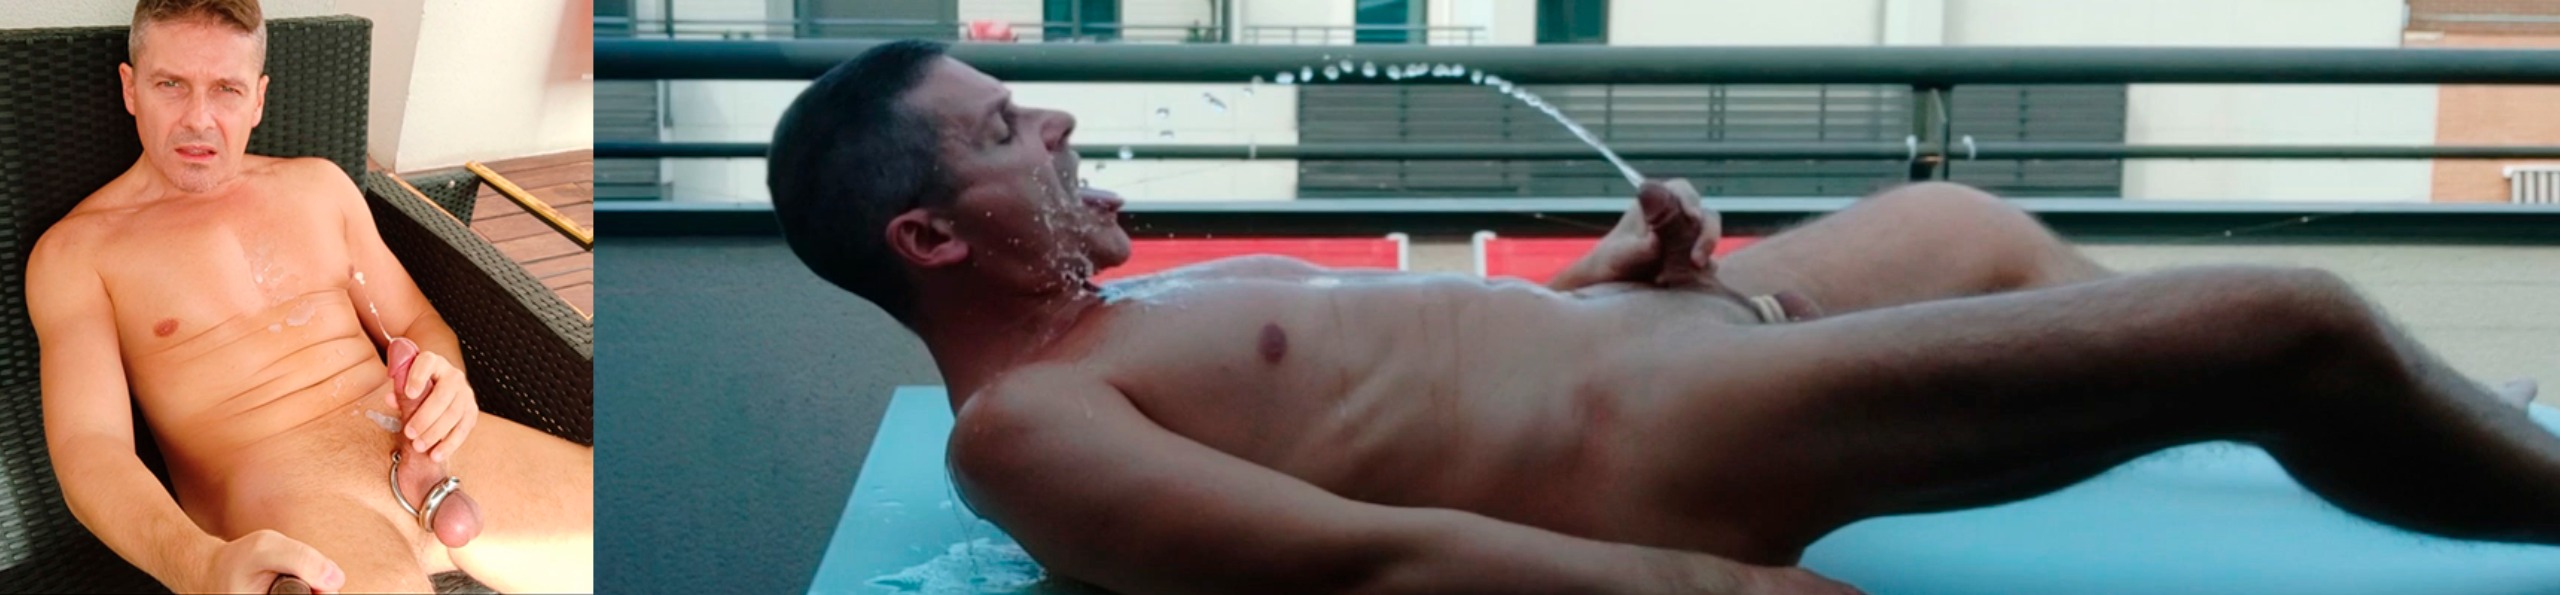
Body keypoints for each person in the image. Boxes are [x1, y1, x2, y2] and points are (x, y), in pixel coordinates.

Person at [767, 40, 2557, 594]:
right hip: (1670, 449)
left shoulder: (1124, 316)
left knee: (1966, 220)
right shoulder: (1022, 429)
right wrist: (1711, 591)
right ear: (930, 236)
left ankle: (2271, 438)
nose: (1054, 122)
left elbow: (1402, 388)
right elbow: (1361, 558)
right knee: (2285, 320)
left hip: (1677, 344)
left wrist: (1615, 271)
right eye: (1004, 131)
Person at [30, 1, 593, 592]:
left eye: (226, 89)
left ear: (258, 98)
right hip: (286, 500)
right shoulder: (79, 252)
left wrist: (444, 387)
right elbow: (90, 448)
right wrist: (195, 563)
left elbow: (415, 322)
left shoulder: (319, 187)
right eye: (171, 85)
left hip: (423, 446)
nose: (198, 119)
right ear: (131, 88)